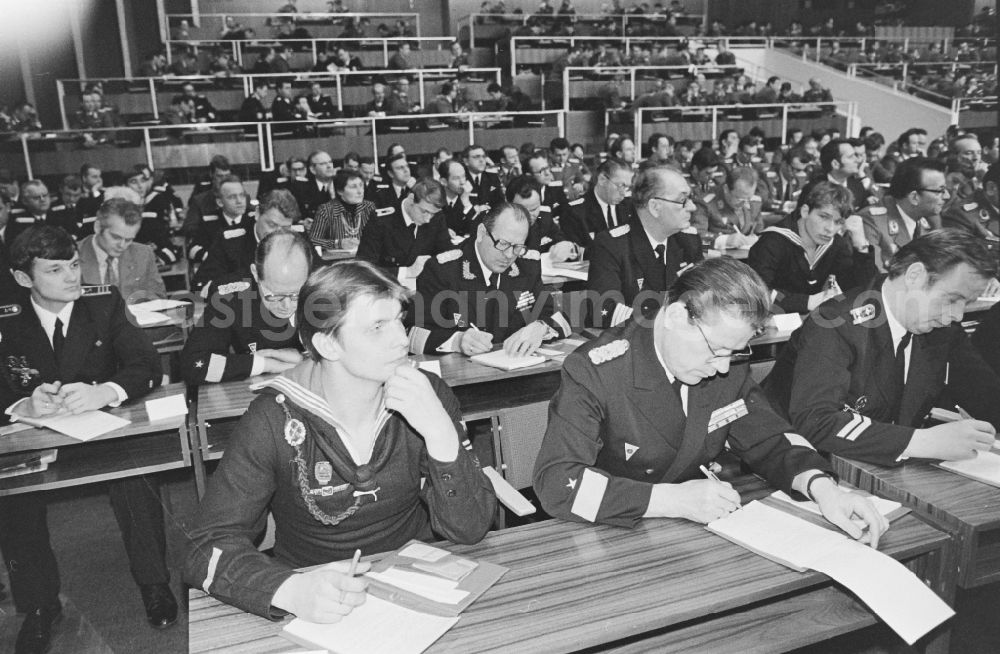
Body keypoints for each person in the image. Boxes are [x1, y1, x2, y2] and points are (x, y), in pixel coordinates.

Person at [182, 260, 496, 619]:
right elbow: (203, 547)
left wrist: (441, 435)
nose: (401, 339)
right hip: (318, 589)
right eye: (377, 327)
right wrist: (289, 590)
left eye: (399, 320)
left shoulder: (426, 394)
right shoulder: (273, 418)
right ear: (327, 345)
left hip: (416, 580)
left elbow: (471, 528)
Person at [532, 257, 887, 545]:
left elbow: (768, 437)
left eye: (732, 353)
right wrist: (670, 500)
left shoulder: (723, 362)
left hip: (692, 536)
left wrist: (823, 489)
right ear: (675, 317)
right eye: (715, 350)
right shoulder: (597, 370)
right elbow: (558, 482)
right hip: (612, 536)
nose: (721, 367)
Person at [0, 226, 174, 654]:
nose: (72, 276)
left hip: (101, 425)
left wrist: (105, 391)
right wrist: (22, 404)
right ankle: (40, 606)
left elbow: (147, 365)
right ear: (24, 279)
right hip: (36, 436)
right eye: (55, 270)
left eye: (74, 264)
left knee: (137, 474)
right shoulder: (7, 318)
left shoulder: (103, 302)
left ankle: (154, 584)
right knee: (12, 494)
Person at [762, 229, 1000, 466]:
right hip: (795, 465)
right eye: (951, 299)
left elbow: (986, 394)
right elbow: (817, 422)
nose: (957, 315)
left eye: (965, 303)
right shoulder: (834, 323)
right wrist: (923, 441)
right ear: (915, 275)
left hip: (880, 469)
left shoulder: (941, 328)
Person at [409, 202, 573, 354]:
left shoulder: (527, 267)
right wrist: (456, 341)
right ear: (481, 233)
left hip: (517, 374)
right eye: (502, 244)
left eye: (518, 247)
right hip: (464, 378)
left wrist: (540, 327)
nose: (509, 255)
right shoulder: (442, 271)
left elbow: (561, 319)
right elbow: (412, 335)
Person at [181, 230, 310, 385]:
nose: (287, 306)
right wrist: (264, 364)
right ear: (255, 274)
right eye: (275, 295)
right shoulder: (231, 298)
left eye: (297, 294)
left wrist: (305, 358)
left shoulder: (324, 289)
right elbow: (193, 365)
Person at [586, 165, 702, 328]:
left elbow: (701, 300)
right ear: (655, 207)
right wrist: (666, 321)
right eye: (683, 200)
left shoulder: (689, 241)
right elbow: (604, 310)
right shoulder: (612, 245)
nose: (692, 207)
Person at [747, 182, 876, 313]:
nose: (830, 229)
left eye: (838, 222)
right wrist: (807, 302)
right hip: (770, 323)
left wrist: (861, 246)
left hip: (813, 324)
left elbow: (862, 292)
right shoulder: (772, 242)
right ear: (805, 211)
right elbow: (758, 293)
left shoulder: (836, 244)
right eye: (824, 217)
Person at [193, 189, 300, 293]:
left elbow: (315, 279)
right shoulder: (229, 242)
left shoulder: (299, 239)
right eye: (272, 225)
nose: (277, 234)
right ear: (257, 213)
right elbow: (202, 285)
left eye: (285, 228)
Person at [861, 157, 950, 271]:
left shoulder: (929, 221)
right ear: (914, 197)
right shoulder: (871, 222)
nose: (947, 196)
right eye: (940, 191)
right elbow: (875, 279)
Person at [356, 178, 450, 278]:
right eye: (424, 212)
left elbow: (447, 252)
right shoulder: (382, 221)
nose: (428, 219)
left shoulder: (437, 217)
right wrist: (407, 272)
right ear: (411, 199)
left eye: (433, 214)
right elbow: (363, 268)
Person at [78, 198, 167, 303]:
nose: (122, 245)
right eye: (116, 237)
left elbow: (158, 297)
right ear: (97, 227)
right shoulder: (73, 256)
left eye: (129, 239)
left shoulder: (143, 254)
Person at [561, 158, 637, 250]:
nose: (623, 193)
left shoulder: (630, 207)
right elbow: (577, 253)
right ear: (602, 180)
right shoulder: (575, 212)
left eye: (627, 188)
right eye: (620, 186)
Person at [186, 175, 256, 265]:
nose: (239, 201)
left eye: (242, 195)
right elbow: (192, 250)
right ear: (220, 202)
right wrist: (212, 257)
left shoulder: (254, 220)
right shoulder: (210, 223)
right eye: (232, 197)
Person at [692, 167, 765, 251]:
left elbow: (759, 230)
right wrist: (725, 240)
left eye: (749, 198)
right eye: (739, 198)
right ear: (726, 189)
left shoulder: (754, 201)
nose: (745, 203)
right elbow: (695, 238)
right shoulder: (706, 203)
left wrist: (756, 238)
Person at [506, 175, 578, 261]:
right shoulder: (497, 225)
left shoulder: (544, 220)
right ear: (508, 205)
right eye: (522, 210)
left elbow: (561, 241)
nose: (528, 216)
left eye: (534, 209)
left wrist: (566, 246)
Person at [310, 169, 378, 252]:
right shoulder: (326, 210)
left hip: (366, 258)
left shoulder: (369, 207)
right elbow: (313, 240)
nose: (360, 191)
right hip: (337, 261)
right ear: (340, 191)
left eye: (361, 185)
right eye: (353, 187)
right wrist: (338, 243)